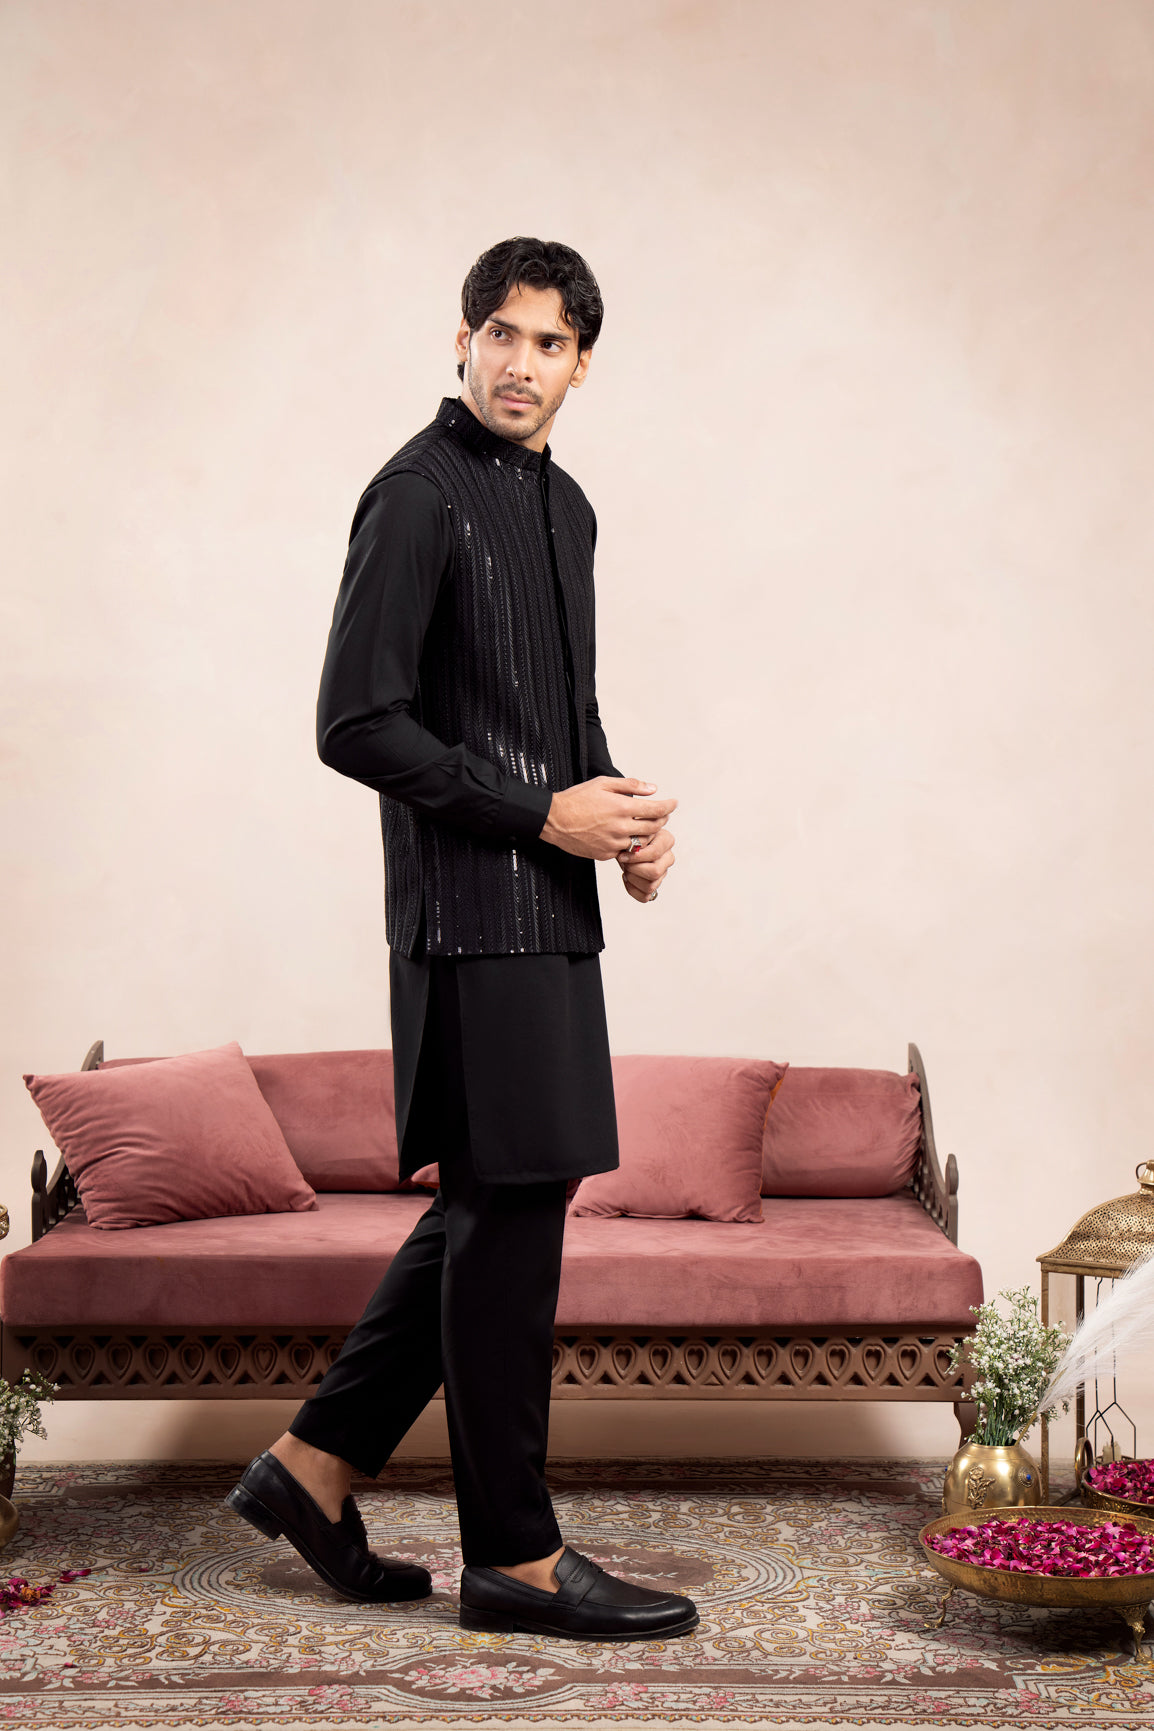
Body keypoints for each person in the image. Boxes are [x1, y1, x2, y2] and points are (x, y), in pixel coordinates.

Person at [226, 237, 693, 1641]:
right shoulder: (417, 494)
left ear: (582, 365)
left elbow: (562, 717)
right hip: (467, 916)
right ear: (461, 339)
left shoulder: (568, 510)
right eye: (501, 332)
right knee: (511, 1209)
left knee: (505, 1201)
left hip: (551, 908)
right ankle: (516, 1557)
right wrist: (540, 815)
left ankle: (313, 1467)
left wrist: (619, 820)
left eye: (549, 343)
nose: (520, 362)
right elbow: (353, 721)